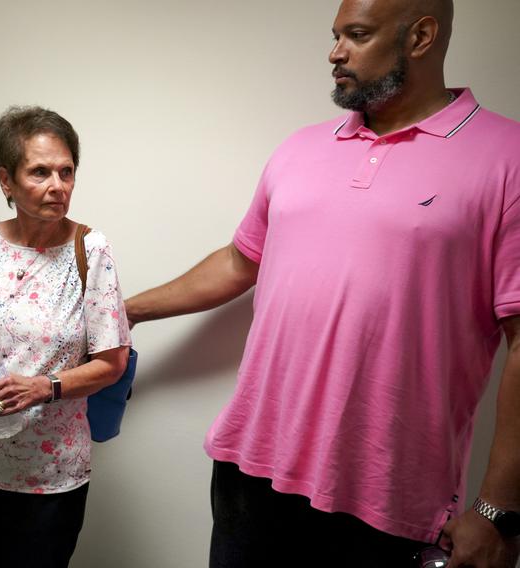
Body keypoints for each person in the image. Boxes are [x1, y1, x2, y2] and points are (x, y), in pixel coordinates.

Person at [125, 1, 520, 567]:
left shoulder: (507, 157)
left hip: (385, 499)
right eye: (336, 35)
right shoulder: (299, 148)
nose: (335, 52)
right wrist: (129, 310)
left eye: (356, 35)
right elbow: (241, 260)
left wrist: (497, 513)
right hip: (250, 471)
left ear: (422, 36)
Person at [0, 105, 130, 568]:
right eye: (40, 172)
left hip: (46, 475)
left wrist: (43, 387)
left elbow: (112, 363)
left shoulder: (91, 250)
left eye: (66, 171)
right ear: (6, 181)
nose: (57, 186)